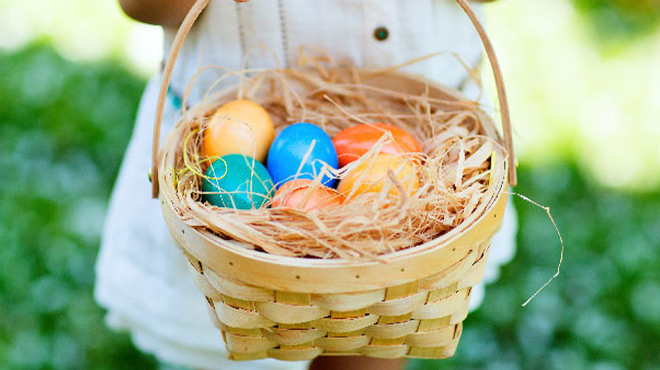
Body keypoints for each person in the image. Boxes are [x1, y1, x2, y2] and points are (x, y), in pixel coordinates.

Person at [95, 1, 517, 369]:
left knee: (378, 331)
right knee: (237, 348)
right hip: (225, 163)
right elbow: (141, 5)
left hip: (423, 145)